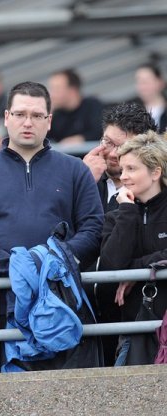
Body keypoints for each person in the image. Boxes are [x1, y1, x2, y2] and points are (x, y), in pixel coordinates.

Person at [0, 81, 104, 373]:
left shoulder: (74, 170)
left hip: (63, 302)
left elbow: (94, 228)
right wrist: (18, 266)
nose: (27, 122)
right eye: (20, 114)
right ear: (6, 118)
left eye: (36, 115)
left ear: (49, 121)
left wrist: (52, 263)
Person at [81, 102, 156, 366]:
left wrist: (137, 269)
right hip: (84, 313)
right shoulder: (81, 178)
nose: (112, 153)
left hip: (133, 313)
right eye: (107, 142)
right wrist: (83, 182)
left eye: (123, 147)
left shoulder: (153, 191)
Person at [99, 130, 167, 365]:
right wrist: (127, 211)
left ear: (155, 172)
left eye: (132, 169)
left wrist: (137, 273)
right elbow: (112, 266)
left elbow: (128, 267)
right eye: (123, 168)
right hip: (134, 329)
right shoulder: (116, 213)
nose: (124, 176)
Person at [47, 68, 103, 146]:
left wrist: (82, 139)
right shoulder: (56, 114)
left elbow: (101, 132)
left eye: (56, 89)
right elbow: (42, 138)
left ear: (72, 90)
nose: (51, 94)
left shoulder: (92, 106)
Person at [134, 63, 166, 133]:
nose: (142, 86)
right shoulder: (133, 115)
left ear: (160, 82)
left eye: (146, 81)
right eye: (139, 81)